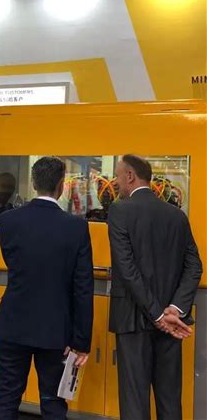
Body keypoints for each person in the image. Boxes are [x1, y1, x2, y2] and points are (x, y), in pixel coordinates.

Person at [0, 156, 94, 420]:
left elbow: (14, 264)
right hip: (56, 331)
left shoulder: (9, 220)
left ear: (33, 183)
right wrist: (81, 342)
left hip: (12, 324)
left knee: (6, 399)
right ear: (62, 185)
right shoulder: (76, 227)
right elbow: (83, 288)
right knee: (53, 403)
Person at [108, 154, 203, 420]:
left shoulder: (119, 211)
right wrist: (175, 309)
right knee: (169, 400)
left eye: (117, 176)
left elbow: (126, 269)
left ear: (130, 176)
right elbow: (194, 266)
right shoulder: (176, 215)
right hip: (173, 323)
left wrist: (158, 315)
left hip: (133, 321)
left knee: (135, 403)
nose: (115, 182)